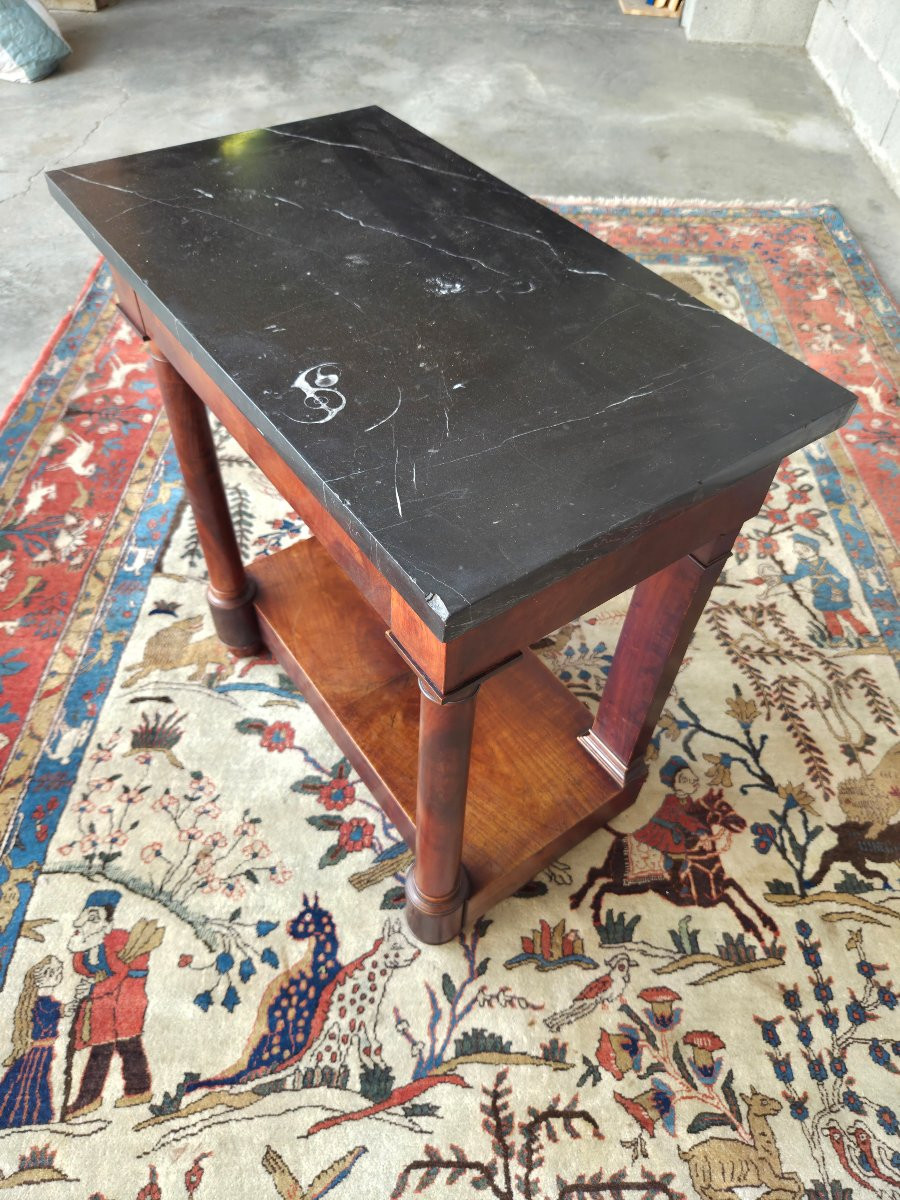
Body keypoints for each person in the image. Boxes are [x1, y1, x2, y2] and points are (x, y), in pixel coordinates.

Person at [64, 890, 152, 1120]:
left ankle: (130, 1091)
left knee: (123, 1045)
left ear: (106, 923)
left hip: (124, 1002)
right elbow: (82, 967)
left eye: (96, 917)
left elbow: (120, 973)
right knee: (108, 1046)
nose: (90, 922)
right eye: (88, 915)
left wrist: (94, 988)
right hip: (105, 1004)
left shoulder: (111, 946)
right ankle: (123, 1092)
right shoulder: (88, 943)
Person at [756, 532, 873, 644]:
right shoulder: (803, 565)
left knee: (847, 615)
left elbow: (840, 577)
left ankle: (865, 634)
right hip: (821, 595)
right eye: (798, 551)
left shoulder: (825, 562)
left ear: (812, 549)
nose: (799, 553)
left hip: (835, 593)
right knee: (829, 618)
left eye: (803, 550)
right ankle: (837, 637)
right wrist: (780, 579)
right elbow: (796, 577)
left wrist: (840, 584)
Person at [0, 955, 67, 1127]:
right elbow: (44, 1021)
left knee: (35, 1082)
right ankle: (21, 1117)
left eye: (59, 972)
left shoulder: (48, 1002)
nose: (57, 976)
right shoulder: (41, 1004)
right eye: (52, 972)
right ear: (39, 976)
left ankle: (33, 1117)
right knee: (28, 1082)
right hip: (36, 1052)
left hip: (44, 1052)